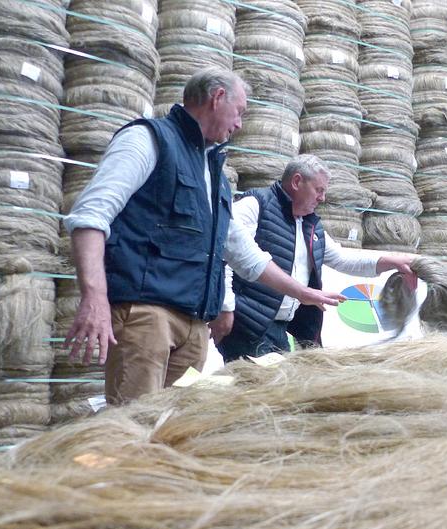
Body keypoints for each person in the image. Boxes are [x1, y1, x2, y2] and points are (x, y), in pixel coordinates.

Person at [63, 68, 343, 404]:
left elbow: (243, 254)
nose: (239, 124)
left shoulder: (215, 175)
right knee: (132, 429)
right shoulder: (148, 140)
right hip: (147, 319)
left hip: (195, 329)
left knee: (176, 431)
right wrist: (94, 298)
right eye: (239, 112)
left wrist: (303, 293)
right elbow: (90, 216)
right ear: (217, 98)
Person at [217, 154, 416, 361]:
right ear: (296, 182)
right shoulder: (254, 205)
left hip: (278, 330)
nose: (322, 198)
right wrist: (225, 307)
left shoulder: (310, 226)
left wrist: (391, 261)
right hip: (245, 326)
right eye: (318, 190)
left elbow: (342, 259)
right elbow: (224, 257)